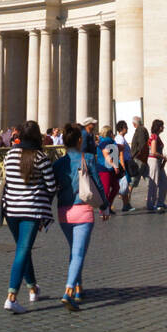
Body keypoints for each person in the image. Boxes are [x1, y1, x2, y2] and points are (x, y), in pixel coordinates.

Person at [52, 123, 109, 311]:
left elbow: (52, 189)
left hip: (64, 213)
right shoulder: (89, 159)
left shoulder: (58, 164)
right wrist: (104, 207)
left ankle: (78, 287)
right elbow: (98, 185)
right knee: (78, 252)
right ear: (79, 140)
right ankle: (68, 291)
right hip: (83, 211)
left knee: (75, 251)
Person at [2, 121, 56, 314]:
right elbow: (51, 187)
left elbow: (7, 181)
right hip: (31, 211)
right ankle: (11, 297)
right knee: (22, 251)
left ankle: (33, 288)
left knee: (23, 250)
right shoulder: (41, 158)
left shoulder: (9, 156)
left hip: (11, 211)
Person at [145, 119, 167, 212]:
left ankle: (160, 202)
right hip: (153, 160)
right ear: (158, 127)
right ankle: (151, 204)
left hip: (157, 161)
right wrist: (163, 157)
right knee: (153, 182)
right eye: (162, 126)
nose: (163, 127)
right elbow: (154, 152)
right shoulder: (154, 137)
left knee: (164, 181)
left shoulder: (157, 136)